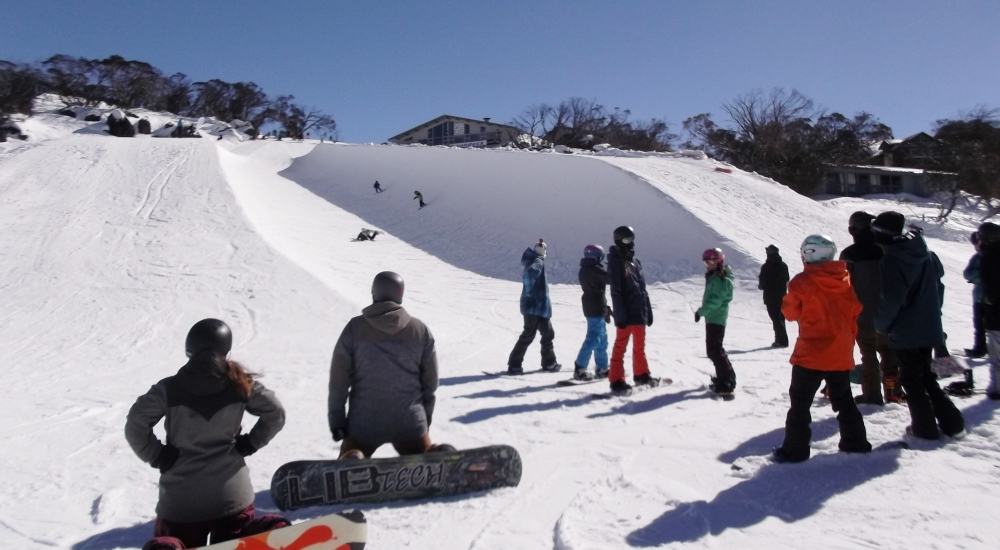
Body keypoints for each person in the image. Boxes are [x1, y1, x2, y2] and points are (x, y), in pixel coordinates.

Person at [125, 319, 287, 549]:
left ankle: (171, 545)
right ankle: (267, 533)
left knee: (177, 540)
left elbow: (135, 423)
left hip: (181, 503)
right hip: (233, 496)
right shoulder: (241, 384)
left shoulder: (167, 389)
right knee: (239, 536)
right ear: (226, 350)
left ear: (189, 349)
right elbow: (276, 412)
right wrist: (249, 443)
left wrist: (158, 455)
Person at [773, 235, 872, 463]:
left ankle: (795, 450)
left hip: (811, 353)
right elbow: (855, 309)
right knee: (844, 400)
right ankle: (855, 442)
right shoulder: (845, 279)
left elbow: (789, 314)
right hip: (839, 352)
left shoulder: (802, 282)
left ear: (808, 254)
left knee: (800, 403)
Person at [329, 271, 447, 458]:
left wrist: (337, 422)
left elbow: (339, 381)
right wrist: (425, 420)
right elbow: (430, 383)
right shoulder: (420, 330)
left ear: (374, 293)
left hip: (364, 423)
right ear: (400, 294)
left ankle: (353, 457)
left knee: (350, 456)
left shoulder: (355, 328)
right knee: (422, 457)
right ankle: (434, 456)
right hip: (410, 422)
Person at [872, 211, 965, 440]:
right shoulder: (923, 253)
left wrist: (881, 325)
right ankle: (952, 423)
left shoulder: (894, 260)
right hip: (929, 326)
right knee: (925, 377)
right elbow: (938, 288)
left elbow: (892, 300)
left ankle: (924, 430)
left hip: (906, 331)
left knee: (912, 380)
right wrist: (932, 313)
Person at [840, 210, 903, 405]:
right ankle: (893, 391)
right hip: (888, 314)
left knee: (868, 356)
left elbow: (844, 286)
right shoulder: (886, 250)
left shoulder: (850, 254)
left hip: (862, 314)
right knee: (889, 354)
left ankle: (872, 395)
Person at [607, 226, 656, 393]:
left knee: (639, 346)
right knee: (620, 346)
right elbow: (616, 290)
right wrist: (620, 315)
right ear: (619, 240)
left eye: (632, 239)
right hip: (626, 314)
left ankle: (641, 374)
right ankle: (616, 380)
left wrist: (648, 311)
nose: (631, 243)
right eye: (627, 239)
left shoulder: (636, 262)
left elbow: (642, 289)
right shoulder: (616, 261)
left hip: (639, 311)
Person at [507, 239, 562, 374]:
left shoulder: (534, 260)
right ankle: (514, 364)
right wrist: (530, 293)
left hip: (538, 308)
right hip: (534, 308)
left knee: (548, 333)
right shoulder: (538, 261)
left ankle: (549, 362)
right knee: (529, 334)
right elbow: (529, 275)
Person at [696, 247, 736, 396]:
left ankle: (726, 381)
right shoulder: (714, 275)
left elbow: (716, 301)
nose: (708, 263)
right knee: (715, 350)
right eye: (706, 261)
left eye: (711, 260)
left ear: (718, 261)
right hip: (714, 318)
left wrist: (701, 312)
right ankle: (726, 377)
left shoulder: (719, 278)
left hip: (716, 318)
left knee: (714, 351)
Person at [573, 244, 611, 381]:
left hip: (595, 306)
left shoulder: (586, 269)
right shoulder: (594, 269)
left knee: (602, 339)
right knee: (594, 338)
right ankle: (580, 368)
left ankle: (602, 368)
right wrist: (614, 264)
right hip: (594, 308)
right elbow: (610, 278)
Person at [975, 222, 1000, 400]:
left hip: (996, 313)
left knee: (997, 354)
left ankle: (997, 388)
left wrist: (989, 300)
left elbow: (990, 285)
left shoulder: (989, 256)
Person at [757, 244, 789, 348]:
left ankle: (782, 341)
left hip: (770, 297)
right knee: (780, 318)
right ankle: (780, 340)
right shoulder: (783, 265)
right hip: (782, 296)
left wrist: (763, 285)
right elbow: (787, 280)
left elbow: (762, 283)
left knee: (775, 318)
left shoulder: (766, 266)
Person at [963, 230, 986, 357]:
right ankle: (980, 348)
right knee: (980, 324)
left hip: (982, 297)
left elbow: (968, 274)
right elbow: (968, 274)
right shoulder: (978, 257)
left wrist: (978, 277)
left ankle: (980, 349)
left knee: (981, 324)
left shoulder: (980, 257)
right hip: (980, 296)